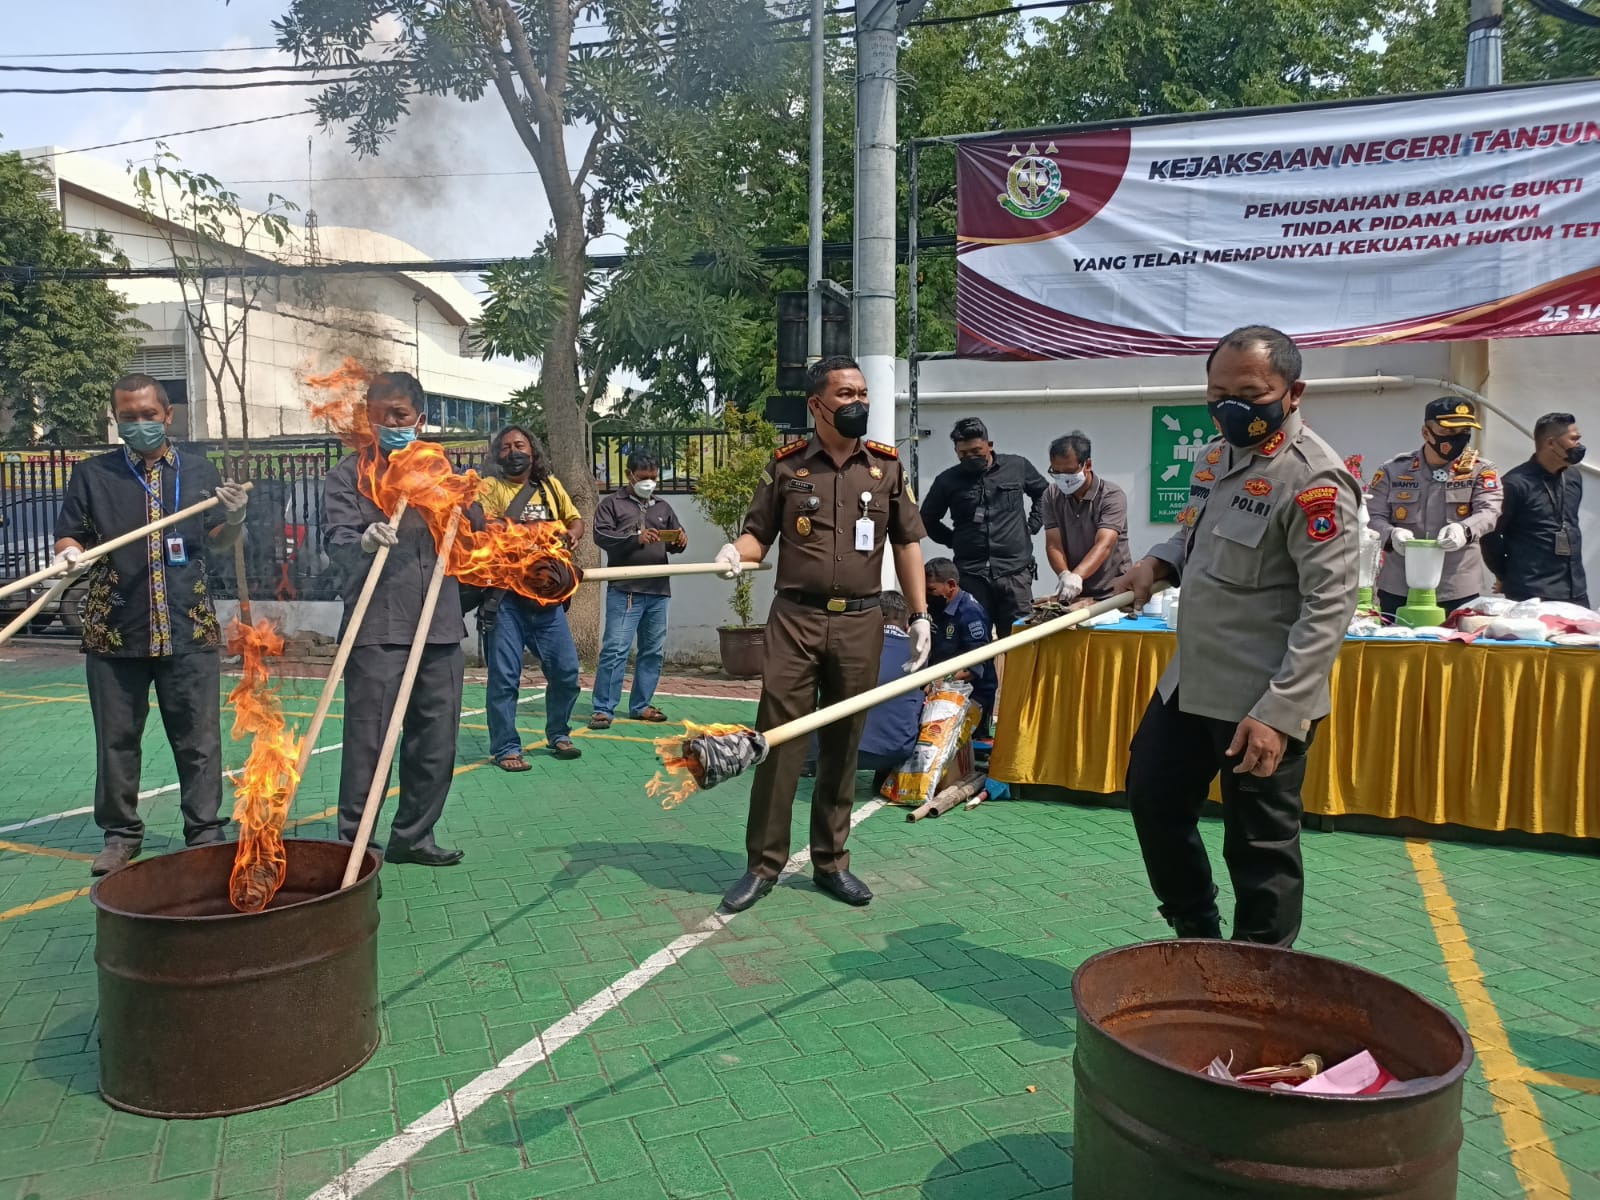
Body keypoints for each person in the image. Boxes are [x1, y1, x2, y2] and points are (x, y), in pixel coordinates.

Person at [1113, 326, 1359, 948]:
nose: (1230, 409)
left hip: (1261, 696)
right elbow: (1194, 536)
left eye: (1250, 395)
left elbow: (1329, 605)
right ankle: (1196, 933)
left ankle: (1260, 973)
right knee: (1153, 799)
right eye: (1217, 395)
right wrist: (1158, 562)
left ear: (1293, 393)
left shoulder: (1315, 480)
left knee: (1259, 846)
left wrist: (1280, 712)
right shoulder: (1216, 456)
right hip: (1192, 680)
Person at [714, 355, 931, 912]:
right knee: (780, 740)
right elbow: (757, 537)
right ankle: (763, 865)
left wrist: (920, 614)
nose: (859, 402)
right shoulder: (786, 466)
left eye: (862, 393)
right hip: (796, 620)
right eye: (846, 394)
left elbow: (907, 542)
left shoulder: (885, 467)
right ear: (817, 405)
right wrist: (734, 553)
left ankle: (831, 861)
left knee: (844, 742)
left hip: (861, 622)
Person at [54, 374, 249, 876]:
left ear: (168, 416)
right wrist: (68, 554)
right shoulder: (93, 475)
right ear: (116, 419)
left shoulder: (200, 470)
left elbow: (219, 541)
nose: (139, 424)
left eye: (148, 415)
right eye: (128, 417)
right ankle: (120, 835)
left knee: (199, 740)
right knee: (117, 740)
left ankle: (204, 830)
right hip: (115, 630)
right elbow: (69, 534)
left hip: (189, 627)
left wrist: (235, 517)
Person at [323, 371, 475, 868]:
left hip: (440, 626)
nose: (389, 424)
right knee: (369, 743)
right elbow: (337, 541)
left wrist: (459, 503)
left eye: (400, 415)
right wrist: (363, 540)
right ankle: (358, 847)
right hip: (377, 627)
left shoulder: (442, 471)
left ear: (420, 419)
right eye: (378, 415)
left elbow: (476, 536)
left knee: (436, 742)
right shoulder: (349, 474)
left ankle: (413, 835)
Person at [477, 425, 586, 765]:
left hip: (546, 601)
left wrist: (572, 534)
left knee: (567, 672)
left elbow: (575, 520)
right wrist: (538, 532)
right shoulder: (489, 487)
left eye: (520, 445)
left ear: (533, 451)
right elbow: (488, 528)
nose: (513, 452)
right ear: (498, 455)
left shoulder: (550, 487)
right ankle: (506, 747)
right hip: (505, 599)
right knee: (504, 679)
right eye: (506, 447)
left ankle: (559, 732)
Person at [1366, 397, 1502, 618]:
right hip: (1400, 585)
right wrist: (1391, 534)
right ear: (1426, 433)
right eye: (1449, 431)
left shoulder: (1481, 471)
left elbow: (1489, 511)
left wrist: (1464, 529)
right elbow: (1372, 516)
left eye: (1464, 431)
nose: (1458, 438)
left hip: (1457, 587)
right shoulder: (1394, 471)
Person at [919, 416, 1048, 637]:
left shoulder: (1017, 466)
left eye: (976, 451)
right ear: (956, 451)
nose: (970, 456)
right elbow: (926, 520)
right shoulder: (947, 481)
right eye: (963, 453)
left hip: (1014, 572)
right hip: (972, 573)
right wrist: (954, 540)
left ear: (989, 445)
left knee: (1020, 638)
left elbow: (1045, 494)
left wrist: (1032, 526)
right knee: (973, 638)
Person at [590, 450, 687, 728]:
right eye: (644, 477)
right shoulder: (612, 504)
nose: (649, 482)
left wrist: (680, 541)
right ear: (629, 475)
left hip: (658, 590)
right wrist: (635, 538)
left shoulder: (663, 507)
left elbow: (674, 544)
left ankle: (641, 705)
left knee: (652, 651)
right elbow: (601, 536)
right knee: (615, 650)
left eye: (654, 477)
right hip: (626, 590)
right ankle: (603, 708)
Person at [800, 593, 925, 793]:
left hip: (837, 749)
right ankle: (886, 773)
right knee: (919, 698)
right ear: (906, 621)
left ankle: (812, 765)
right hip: (894, 751)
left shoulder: (847, 645)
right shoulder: (918, 652)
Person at [1482, 412, 1589, 607]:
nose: (1578, 445)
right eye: (1573, 439)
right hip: (1531, 591)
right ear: (1551, 443)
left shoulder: (1573, 477)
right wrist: (1505, 574)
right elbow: (1490, 536)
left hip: (1575, 590)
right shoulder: (1515, 484)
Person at [1042, 430, 1132, 605]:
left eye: (1069, 471)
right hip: (1075, 593)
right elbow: (1053, 543)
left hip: (1114, 592)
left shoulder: (1111, 495)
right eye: (1056, 472)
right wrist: (1065, 575)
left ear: (1087, 464)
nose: (1063, 478)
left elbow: (1104, 544)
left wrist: (1077, 575)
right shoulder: (1051, 495)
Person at [924, 557, 997, 734]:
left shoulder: (970, 614)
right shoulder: (936, 608)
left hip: (971, 694)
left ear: (951, 585)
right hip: (938, 689)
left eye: (931, 589)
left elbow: (973, 669)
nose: (926, 595)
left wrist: (937, 683)